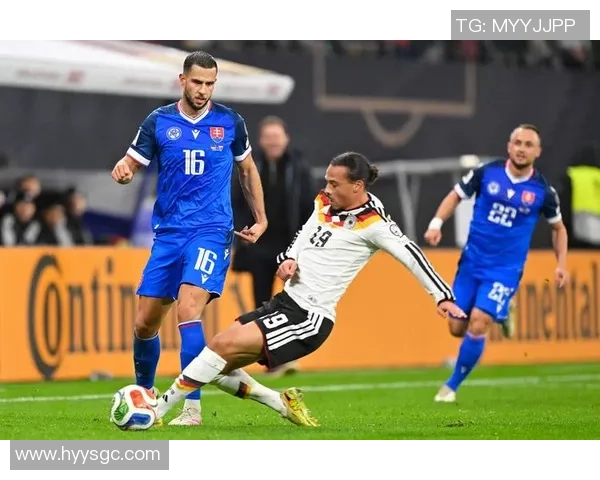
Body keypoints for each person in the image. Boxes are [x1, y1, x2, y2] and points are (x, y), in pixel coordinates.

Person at [151, 151, 466, 427]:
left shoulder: (375, 224)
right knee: (214, 366)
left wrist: (442, 297)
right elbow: (306, 231)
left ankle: (155, 410)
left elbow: (412, 255)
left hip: (309, 317)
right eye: (327, 181)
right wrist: (289, 257)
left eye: (335, 184)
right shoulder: (325, 202)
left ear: (357, 186)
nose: (327, 188)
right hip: (285, 302)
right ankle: (281, 403)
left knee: (219, 348)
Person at [110, 51, 268, 426]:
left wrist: (261, 219)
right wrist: (124, 169)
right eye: (197, 82)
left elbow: (247, 170)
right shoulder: (159, 121)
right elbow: (131, 162)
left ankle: (191, 408)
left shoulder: (230, 122)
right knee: (145, 323)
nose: (203, 90)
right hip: (169, 233)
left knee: (187, 310)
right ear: (182, 80)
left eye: (210, 84)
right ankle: (145, 395)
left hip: (211, 230)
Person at [423, 124, 569, 403]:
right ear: (509, 146)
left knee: (478, 322)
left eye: (528, 144)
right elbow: (456, 195)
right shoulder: (486, 173)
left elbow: (558, 228)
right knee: (456, 328)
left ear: (538, 152)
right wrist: (436, 223)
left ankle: (451, 387)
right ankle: (504, 311)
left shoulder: (543, 191)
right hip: (471, 263)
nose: (522, 149)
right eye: (518, 142)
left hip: (505, 270)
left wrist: (560, 264)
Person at [231, 115, 316, 376]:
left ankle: (288, 355)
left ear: (286, 139)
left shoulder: (299, 167)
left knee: (293, 302)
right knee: (262, 304)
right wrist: (243, 234)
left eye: (276, 136)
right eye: (268, 137)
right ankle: (271, 360)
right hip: (259, 246)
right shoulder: (249, 166)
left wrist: (304, 244)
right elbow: (237, 202)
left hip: (290, 247)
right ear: (261, 140)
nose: (273, 142)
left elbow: (308, 207)